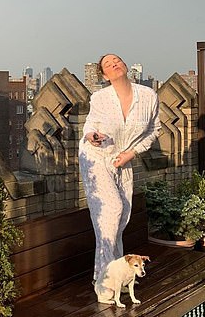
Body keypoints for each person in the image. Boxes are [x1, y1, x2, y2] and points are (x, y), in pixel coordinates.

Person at [79, 53, 161, 284]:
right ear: (105, 75)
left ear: (125, 65)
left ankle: (116, 274)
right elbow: (89, 125)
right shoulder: (100, 98)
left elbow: (155, 130)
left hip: (121, 160)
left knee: (121, 215)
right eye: (108, 64)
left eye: (117, 60)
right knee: (111, 210)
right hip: (95, 157)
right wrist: (91, 136)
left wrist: (131, 153)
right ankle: (105, 280)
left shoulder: (148, 95)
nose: (114, 63)